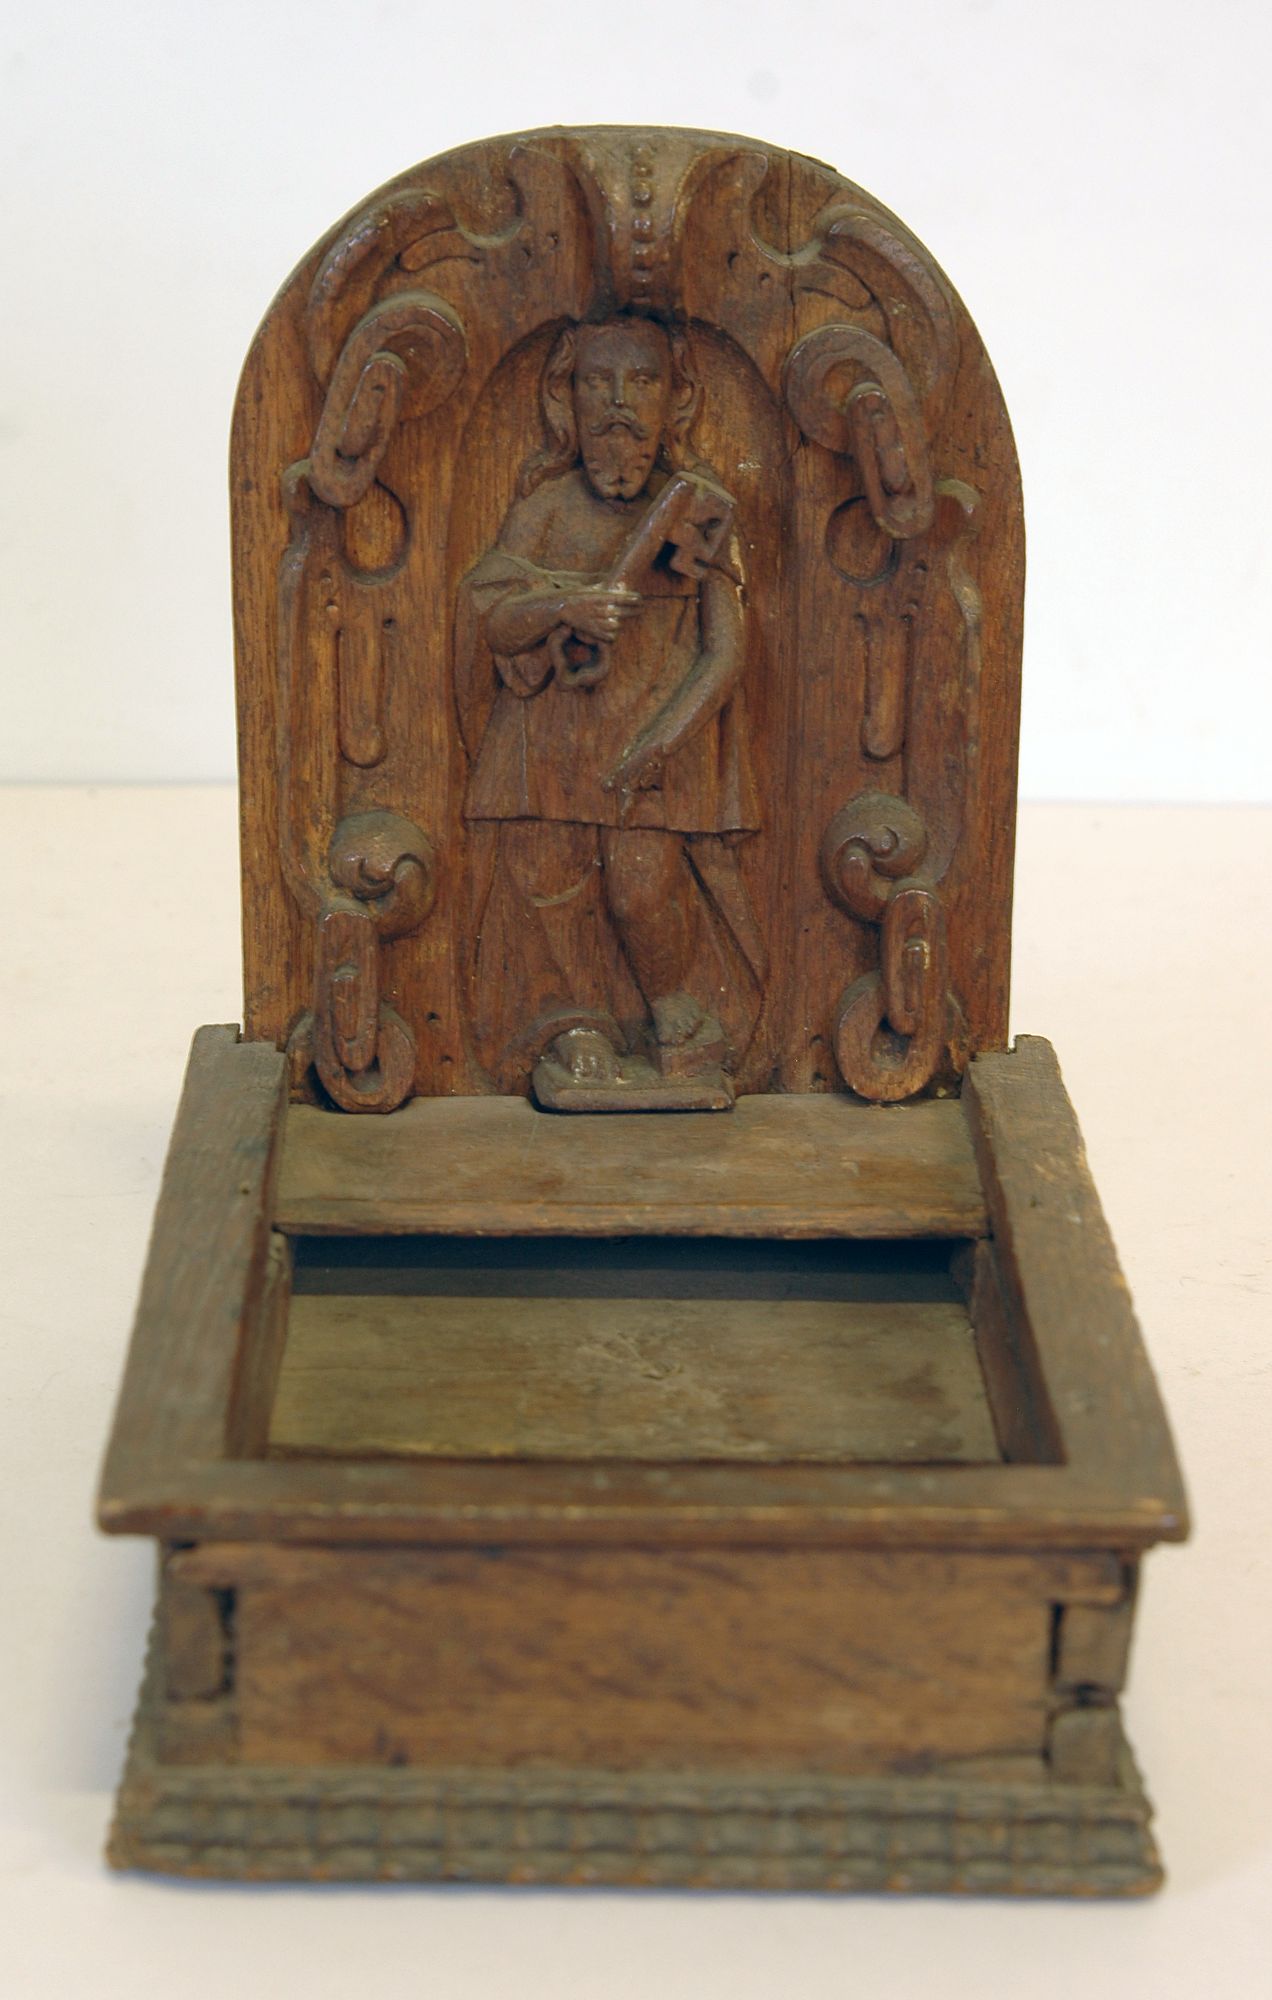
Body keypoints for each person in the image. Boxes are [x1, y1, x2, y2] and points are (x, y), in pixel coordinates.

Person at [456, 314, 761, 1089]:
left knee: (640, 885)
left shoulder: (697, 514)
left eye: (643, 382)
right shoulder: (549, 507)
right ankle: (576, 1024)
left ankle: (672, 1002)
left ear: (675, 401)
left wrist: (662, 743)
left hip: (653, 737)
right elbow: (491, 615)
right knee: (553, 885)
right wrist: (566, 606)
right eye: (599, 382)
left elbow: (725, 652)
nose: (619, 403)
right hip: (550, 743)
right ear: (569, 401)